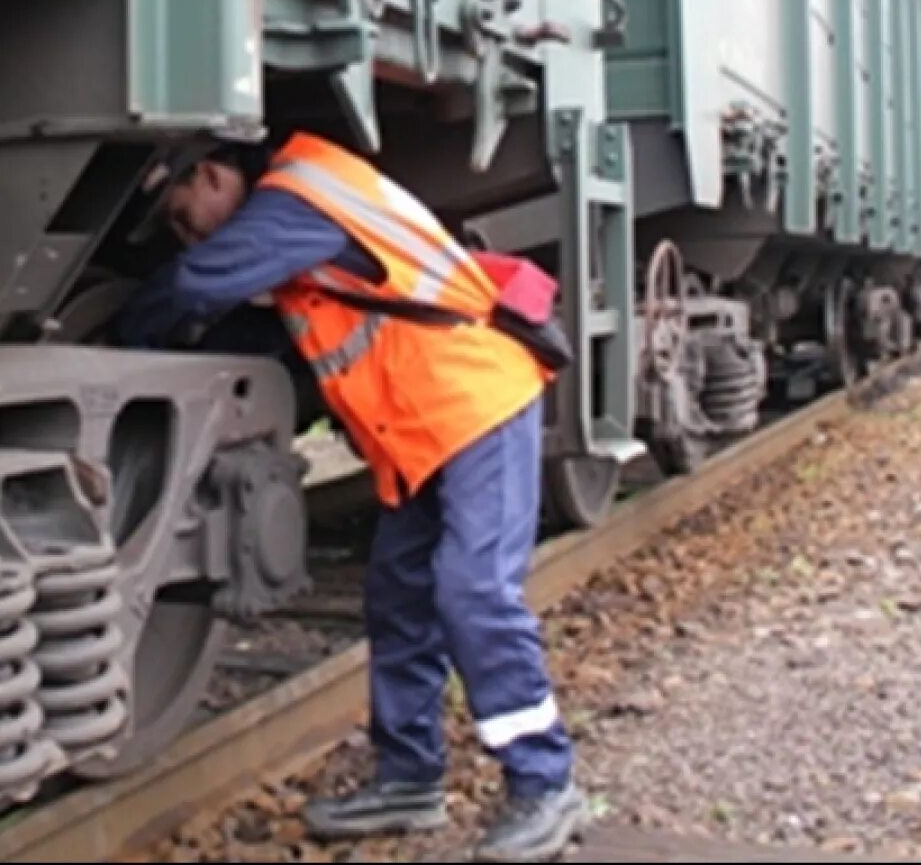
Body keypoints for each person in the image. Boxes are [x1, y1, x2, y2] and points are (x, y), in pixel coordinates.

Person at [111, 130, 586, 863]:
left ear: (210, 175)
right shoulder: (297, 218)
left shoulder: (297, 195)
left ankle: (545, 782)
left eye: (181, 216)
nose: (186, 237)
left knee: (473, 591)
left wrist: (119, 344)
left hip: (475, 403)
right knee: (398, 597)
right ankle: (409, 778)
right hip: (420, 429)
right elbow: (259, 336)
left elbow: (195, 285)